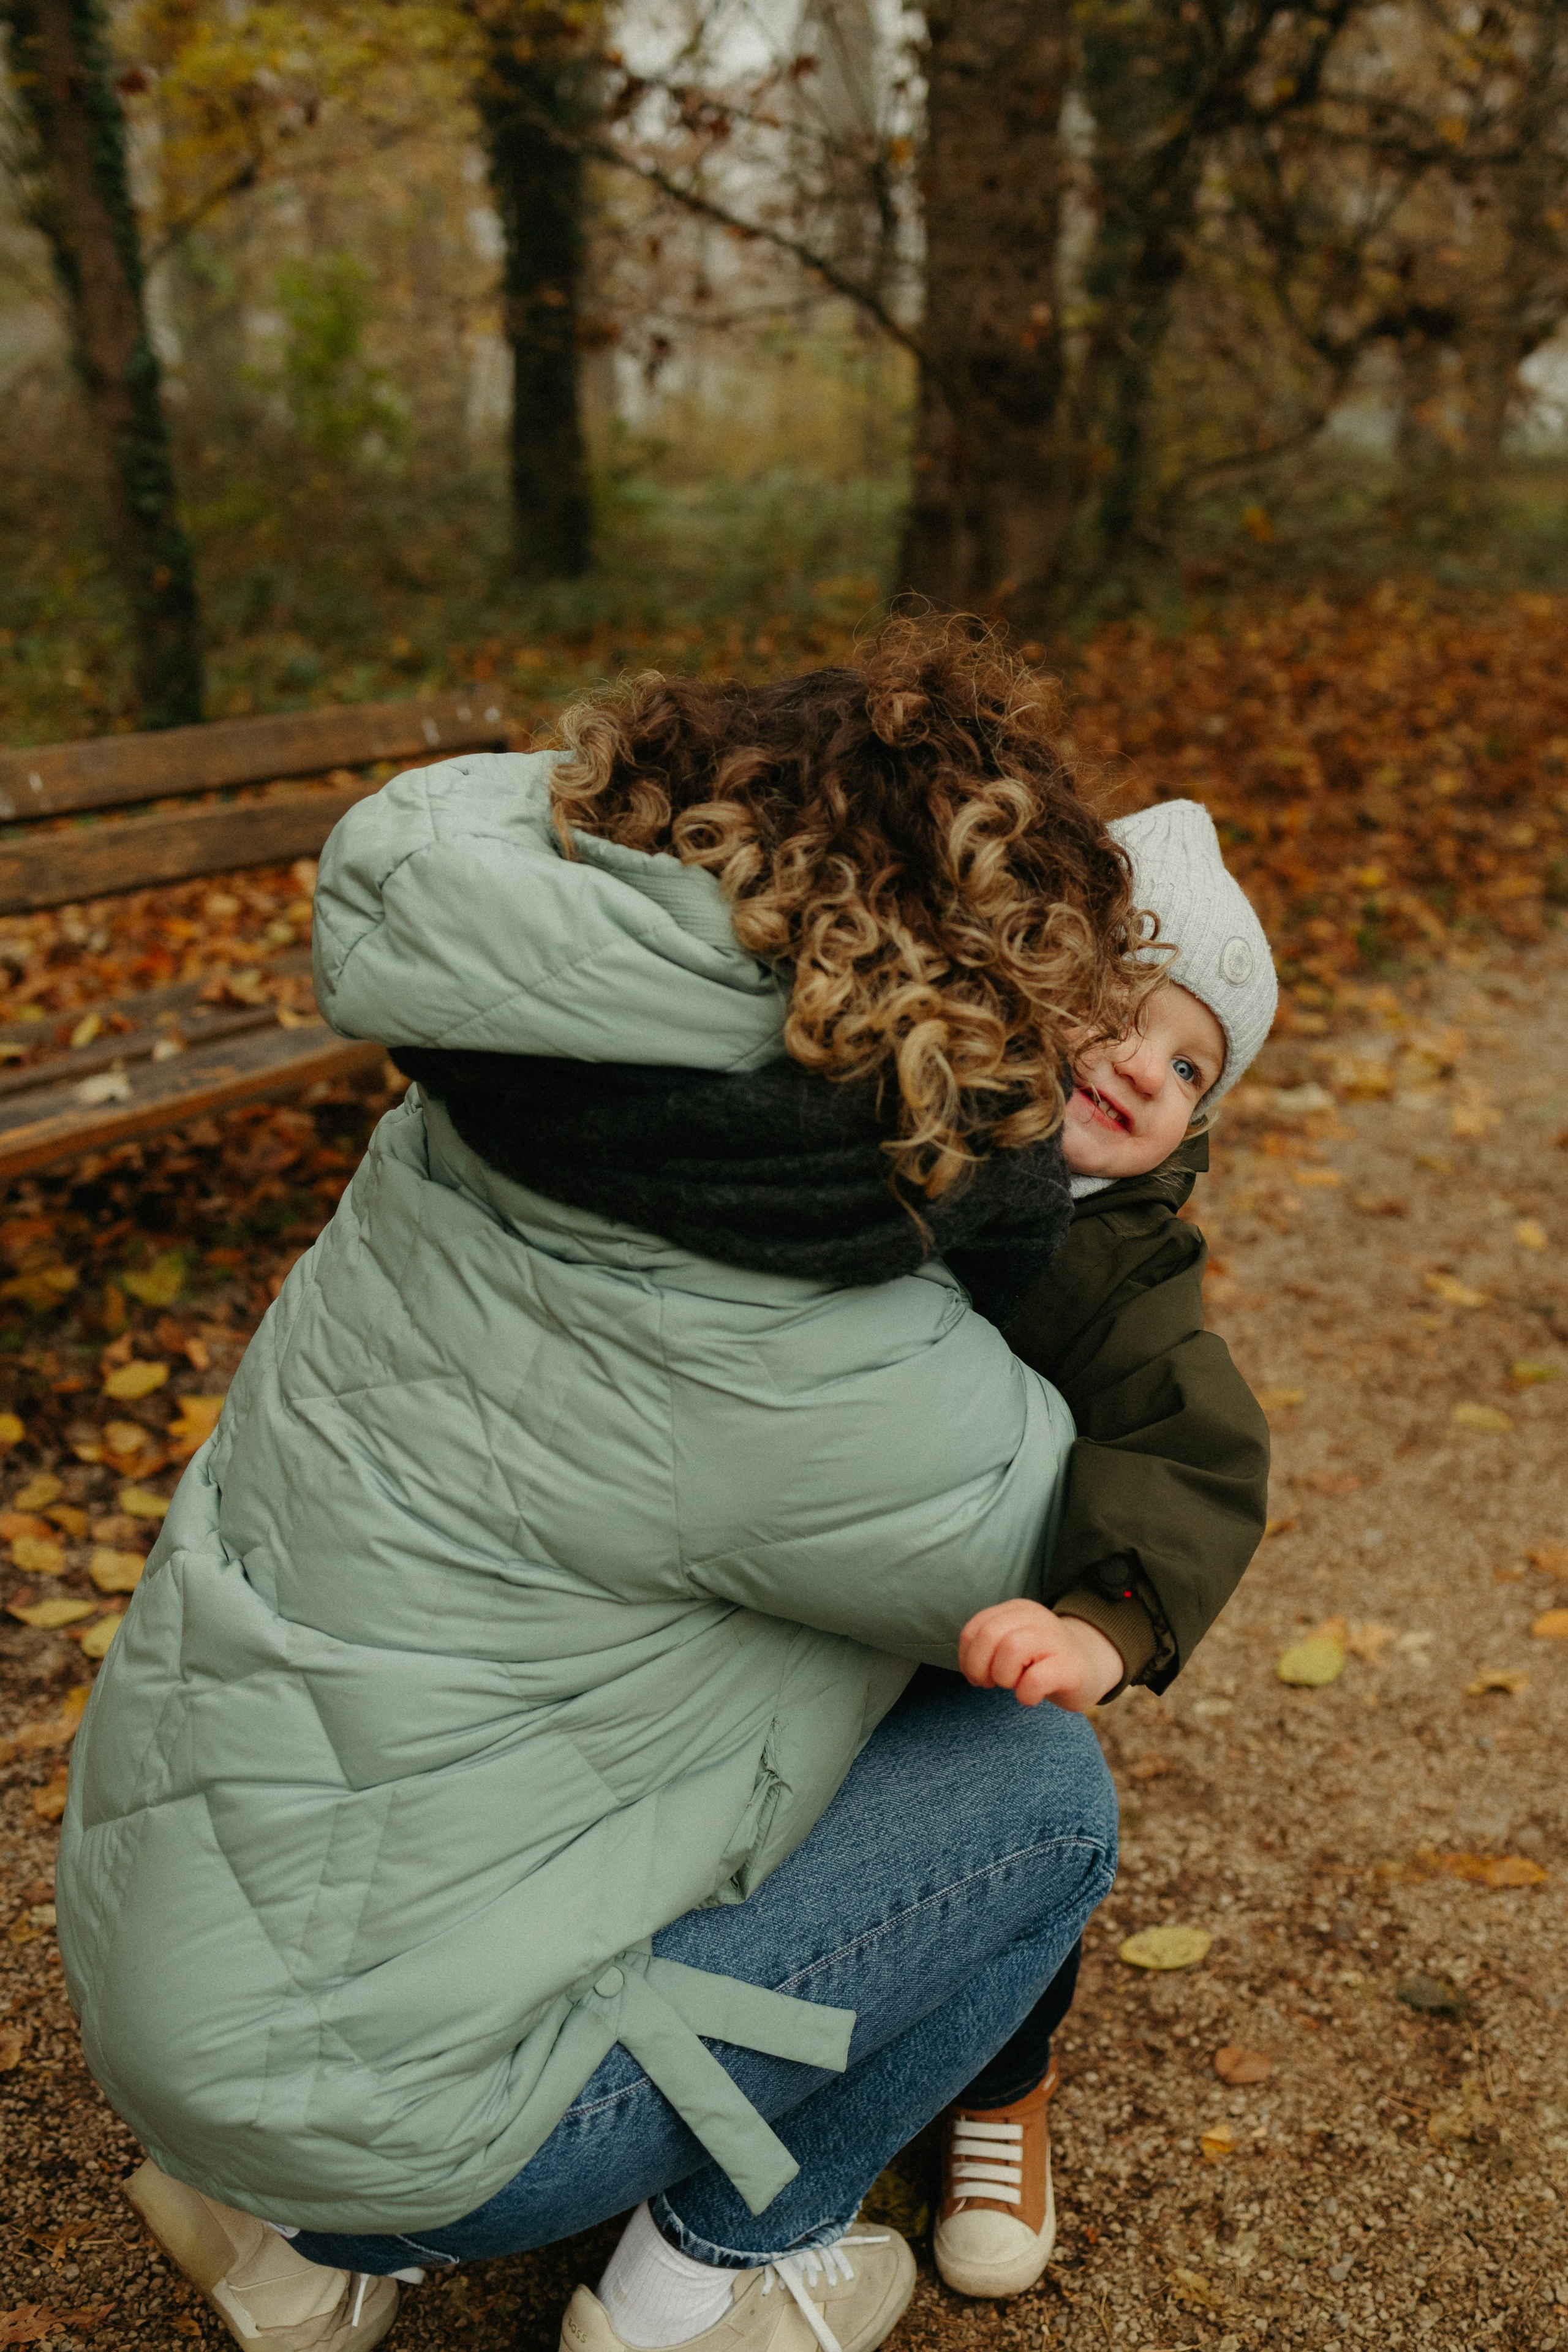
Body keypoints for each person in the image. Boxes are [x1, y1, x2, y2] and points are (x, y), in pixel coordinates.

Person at [930, 795, 1276, 2298]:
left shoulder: (1128, 1256)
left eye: (1189, 1066)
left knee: (1008, 1825)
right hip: (778, 1549)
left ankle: (1002, 2089)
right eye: (1120, 1018)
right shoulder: (894, 1116)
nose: (1144, 1065)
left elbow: (1180, 1449)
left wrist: (1094, 1627)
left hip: (968, 1609)